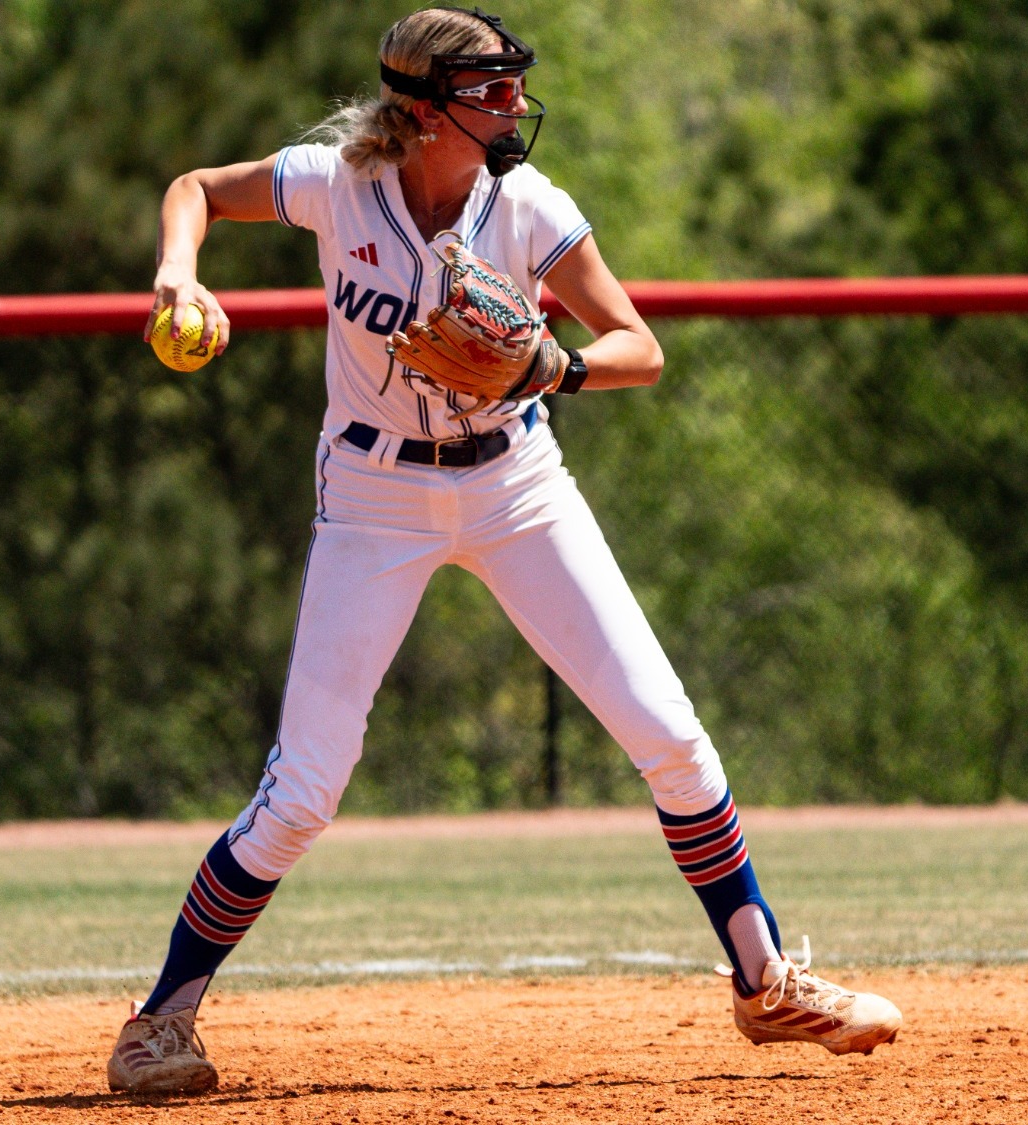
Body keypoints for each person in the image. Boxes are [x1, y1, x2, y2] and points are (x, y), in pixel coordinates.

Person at [107, 6, 902, 1095]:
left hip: (513, 482)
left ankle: (766, 987)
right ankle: (159, 1023)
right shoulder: (337, 181)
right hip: (373, 493)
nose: (514, 104)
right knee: (303, 791)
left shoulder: (526, 205)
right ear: (425, 108)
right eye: (488, 90)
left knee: (670, 738)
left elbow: (638, 349)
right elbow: (196, 187)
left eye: (512, 87)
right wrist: (179, 271)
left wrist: (551, 371)